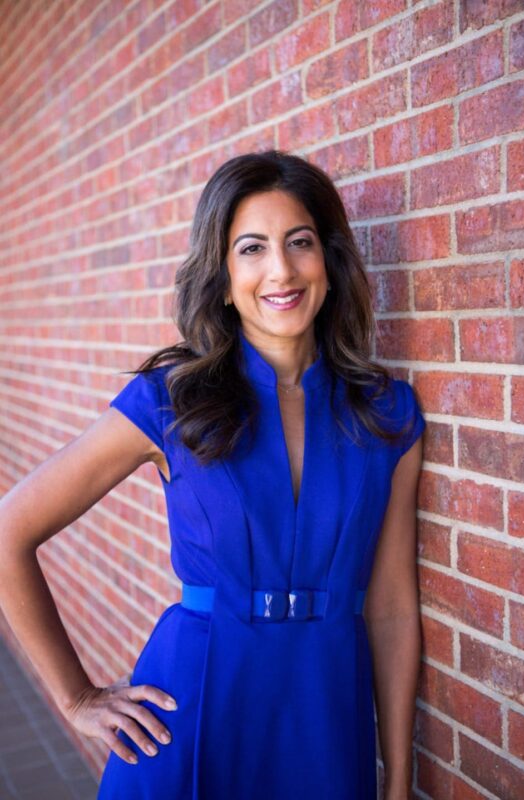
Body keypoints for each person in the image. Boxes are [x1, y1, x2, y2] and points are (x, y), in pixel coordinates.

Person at [0, 149, 425, 800]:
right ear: (223, 278)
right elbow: (10, 531)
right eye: (251, 248)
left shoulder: (387, 415)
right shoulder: (169, 402)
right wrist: (76, 696)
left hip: (326, 717)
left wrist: (398, 775)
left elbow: (392, 609)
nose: (280, 269)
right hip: (190, 714)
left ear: (329, 263)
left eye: (300, 243)